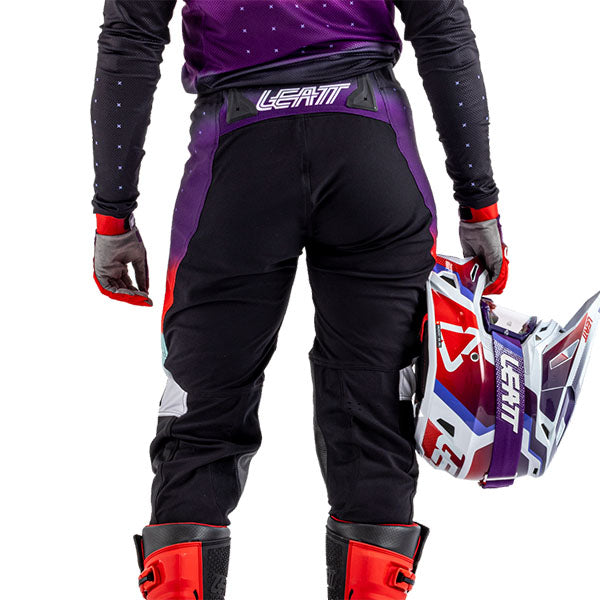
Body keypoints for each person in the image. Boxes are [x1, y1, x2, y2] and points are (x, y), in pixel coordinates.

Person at [91, 1, 508, 598]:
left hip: (234, 161)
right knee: (375, 415)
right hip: (372, 147)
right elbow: (442, 30)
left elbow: (130, 41)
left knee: (201, 417)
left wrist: (114, 215)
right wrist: (479, 203)